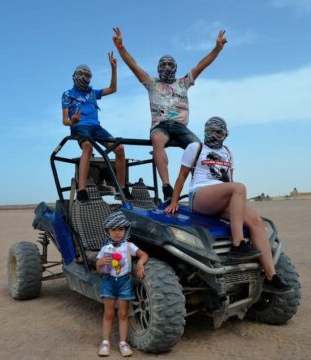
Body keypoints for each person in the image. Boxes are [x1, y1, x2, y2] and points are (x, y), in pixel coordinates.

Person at [164, 117, 292, 293]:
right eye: (211, 131)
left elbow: (229, 181)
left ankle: (271, 275)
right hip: (200, 196)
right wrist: (173, 201)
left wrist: (235, 205)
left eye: (219, 132)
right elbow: (182, 177)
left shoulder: (227, 152)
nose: (214, 135)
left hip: (222, 196)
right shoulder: (196, 148)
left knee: (256, 221)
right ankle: (237, 244)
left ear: (225, 134)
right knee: (239, 187)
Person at [112, 27, 227, 201]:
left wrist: (217, 48)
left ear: (176, 67)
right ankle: (166, 186)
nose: (167, 67)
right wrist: (121, 47)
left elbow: (202, 64)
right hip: (161, 126)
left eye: (170, 64)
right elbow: (133, 65)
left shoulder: (183, 82)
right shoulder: (151, 82)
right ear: (158, 68)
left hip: (181, 127)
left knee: (199, 148)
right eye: (164, 65)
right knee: (157, 140)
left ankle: (202, 187)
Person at [62, 53, 131, 202]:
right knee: (88, 147)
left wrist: (114, 68)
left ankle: (122, 188)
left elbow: (113, 89)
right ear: (75, 75)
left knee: (120, 148)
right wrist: (73, 121)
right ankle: (82, 190)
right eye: (82, 74)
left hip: (96, 127)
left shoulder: (92, 93)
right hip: (79, 126)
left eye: (88, 75)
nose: (85, 77)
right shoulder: (67, 94)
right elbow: (65, 121)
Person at [95, 211, 149, 357]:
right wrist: (100, 263)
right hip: (108, 282)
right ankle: (105, 342)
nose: (118, 233)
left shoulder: (129, 246)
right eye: (114, 230)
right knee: (109, 313)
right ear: (108, 231)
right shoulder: (105, 248)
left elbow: (144, 254)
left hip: (124, 281)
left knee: (123, 313)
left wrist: (140, 264)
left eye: (121, 229)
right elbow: (98, 269)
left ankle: (123, 343)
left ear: (125, 230)